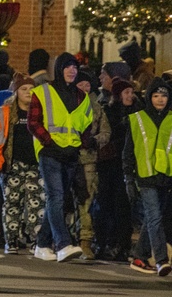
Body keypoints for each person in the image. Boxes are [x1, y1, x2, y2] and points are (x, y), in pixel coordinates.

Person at [28, 52, 93, 263]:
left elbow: (86, 125)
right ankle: (63, 244)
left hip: (70, 153)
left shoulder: (82, 97)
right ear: (59, 69)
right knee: (56, 196)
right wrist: (48, 141)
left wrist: (80, 144)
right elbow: (33, 122)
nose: (72, 70)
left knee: (60, 198)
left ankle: (42, 244)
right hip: (50, 152)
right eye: (67, 66)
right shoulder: (43, 91)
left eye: (75, 67)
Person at [0, 73, 45, 254]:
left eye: (31, 89)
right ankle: (11, 240)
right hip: (13, 165)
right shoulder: (5, 113)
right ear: (16, 92)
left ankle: (37, 241)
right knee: (12, 204)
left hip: (36, 165)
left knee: (36, 205)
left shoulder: (41, 111)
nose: (28, 92)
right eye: (23, 89)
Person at [124, 78, 172, 276]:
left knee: (153, 218)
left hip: (166, 177)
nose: (160, 100)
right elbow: (128, 152)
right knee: (154, 217)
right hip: (145, 176)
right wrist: (128, 177)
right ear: (148, 97)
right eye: (156, 95)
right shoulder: (136, 119)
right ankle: (161, 260)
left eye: (164, 95)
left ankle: (139, 256)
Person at [94, 79, 139, 261]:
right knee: (105, 205)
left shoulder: (137, 112)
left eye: (131, 92)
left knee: (123, 207)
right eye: (126, 92)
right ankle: (104, 242)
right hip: (109, 165)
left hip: (126, 166)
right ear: (118, 95)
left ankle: (122, 245)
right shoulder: (109, 112)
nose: (130, 95)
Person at [74, 69, 110, 259]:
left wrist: (94, 141)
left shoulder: (96, 107)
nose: (85, 88)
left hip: (88, 159)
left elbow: (106, 133)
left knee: (86, 201)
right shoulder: (67, 104)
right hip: (68, 157)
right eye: (81, 85)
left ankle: (85, 242)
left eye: (88, 85)